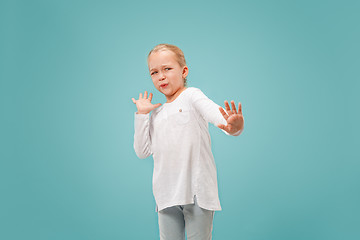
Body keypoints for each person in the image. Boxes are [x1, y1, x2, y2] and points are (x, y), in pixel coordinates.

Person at [132, 43, 244, 240]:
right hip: (166, 195)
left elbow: (217, 115)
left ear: (184, 71)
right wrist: (142, 115)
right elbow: (142, 151)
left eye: (167, 69)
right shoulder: (155, 113)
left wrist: (232, 125)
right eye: (154, 72)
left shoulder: (192, 96)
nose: (161, 76)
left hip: (196, 193)